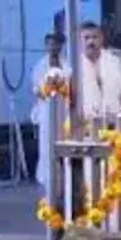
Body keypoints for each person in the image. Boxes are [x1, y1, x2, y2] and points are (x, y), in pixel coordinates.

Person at [30, 32, 69, 194]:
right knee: (46, 142)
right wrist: (48, 90)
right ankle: (45, 175)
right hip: (47, 108)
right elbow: (35, 89)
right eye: (50, 44)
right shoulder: (40, 66)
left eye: (56, 44)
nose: (53, 47)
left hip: (64, 108)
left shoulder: (67, 64)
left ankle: (65, 176)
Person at [80, 21, 121, 117]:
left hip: (115, 120)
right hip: (86, 122)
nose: (91, 42)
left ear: (101, 39)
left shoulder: (116, 62)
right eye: (86, 38)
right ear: (80, 41)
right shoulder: (74, 66)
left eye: (95, 37)